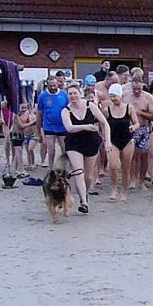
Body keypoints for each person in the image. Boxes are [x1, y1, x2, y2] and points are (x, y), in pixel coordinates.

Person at [60, 84, 111, 214]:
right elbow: (69, 128)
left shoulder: (90, 106)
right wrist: (87, 126)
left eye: (74, 93)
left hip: (91, 142)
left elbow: (105, 123)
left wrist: (108, 141)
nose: (72, 96)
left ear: (80, 93)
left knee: (89, 176)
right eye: (70, 94)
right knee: (78, 172)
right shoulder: (66, 110)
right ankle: (84, 202)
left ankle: (85, 193)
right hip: (73, 143)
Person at [101, 83, 140, 200]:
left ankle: (124, 191)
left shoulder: (129, 108)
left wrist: (134, 127)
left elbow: (136, 123)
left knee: (126, 168)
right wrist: (104, 137)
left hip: (127, 140)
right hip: (113, 140)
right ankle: (114, 189)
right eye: (111, 96)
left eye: (115, 96)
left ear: (120, 95)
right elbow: (102, 124)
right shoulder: (107, 110)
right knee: (113, 166)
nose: (113, 99)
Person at [124, 76, 153, 189]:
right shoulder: (126, 96)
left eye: (139, 89)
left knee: (144, 156)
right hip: (130, 128)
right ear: (131, 87)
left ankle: (141, 181)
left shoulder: (148, 97)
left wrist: (140, 112)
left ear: (143, 86)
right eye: (135, 89)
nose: (137, 91)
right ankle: (132, 180)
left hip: (144, 128)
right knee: (132, 156)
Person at [37, 76, 68, 168]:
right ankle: (51, 169)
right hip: (49, 126)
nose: (53, 88)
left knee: (65, 150)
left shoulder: (64, 94)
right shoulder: (43, 96)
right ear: (47, 85)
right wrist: (38, 130)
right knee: (51, 150)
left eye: (55, 85)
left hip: (62, 127)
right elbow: (39, 113)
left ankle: (64, 168)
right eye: (51, 86)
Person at [12, 102, 38, 173]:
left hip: (21, 135)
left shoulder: (27, 115)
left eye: (25, 108)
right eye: (22, 108)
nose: (23, 110)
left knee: (18, 151)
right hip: (16, 134)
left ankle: (15, 168)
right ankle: (20, 169)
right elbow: (22, 125)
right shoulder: (16, 115)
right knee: (18, 151)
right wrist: (32, 122)